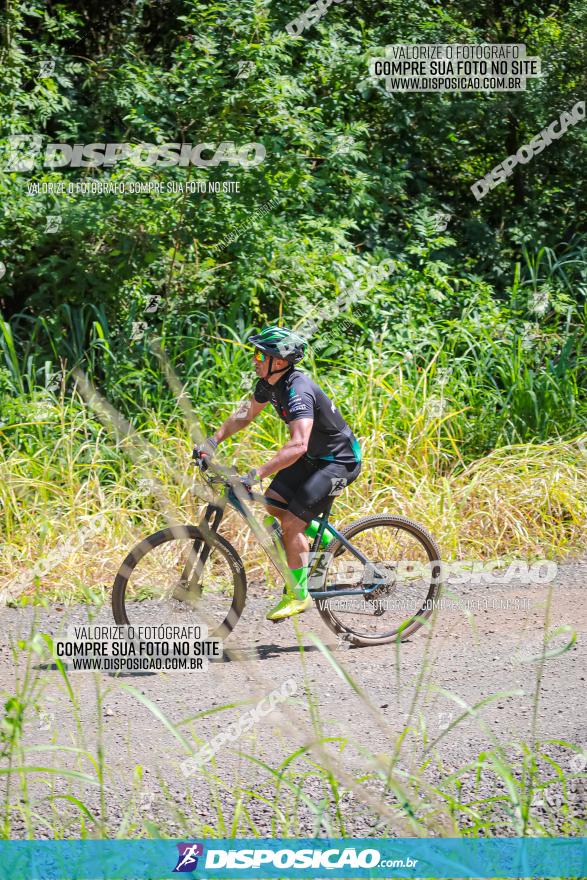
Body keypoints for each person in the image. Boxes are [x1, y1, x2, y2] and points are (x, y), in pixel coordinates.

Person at [194, 326, 362, 621]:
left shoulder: (298, 390)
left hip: (339, 461)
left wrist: (255, 473)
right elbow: (245, 414)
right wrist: (213, 441)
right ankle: (321, 541)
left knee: (290, 524)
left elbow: (298, 444)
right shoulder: (269, 384)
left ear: (280, 361)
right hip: (314, 457)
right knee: (273, 502)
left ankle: (300, 596)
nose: (255, 359)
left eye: (261, 354)